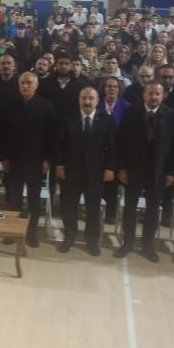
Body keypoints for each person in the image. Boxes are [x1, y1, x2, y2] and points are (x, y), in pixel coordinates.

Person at [115, 81, 174, 262]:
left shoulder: (171, 115)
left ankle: (147, 246)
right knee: (130, 208)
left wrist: (172, 172)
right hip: (133, 169)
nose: (153, 97)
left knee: (152, 210)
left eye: (157, 94)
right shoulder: (130, 112)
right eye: (150, 93)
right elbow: (120, 142)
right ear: (144, 95)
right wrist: (121, 168)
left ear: (163, 96)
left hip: (158, 172)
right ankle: (128, 243)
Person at [0, 72, 57, 248]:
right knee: (14, 200)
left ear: (36, 85)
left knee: (34, 201)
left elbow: (51, 136)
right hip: (14, 160)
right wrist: (4, 157)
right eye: (22, 83)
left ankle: (31, 232)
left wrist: (47, 158)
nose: (25, 86)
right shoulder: (9, 105)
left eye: (29, 83)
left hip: (36, 161)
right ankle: (13, 232)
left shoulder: (46, 106)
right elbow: (2, 133)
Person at [56, 86, 115, 255]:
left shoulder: (106, 119)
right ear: (79, 100)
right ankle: (69, 237)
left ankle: (91, 240)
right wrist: (59, 165)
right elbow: (59, 144)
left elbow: (112, 146)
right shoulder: (68, 118)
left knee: (93, 209)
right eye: (84, 98)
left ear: (97, 100)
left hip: (96, 173)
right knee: (69, 207)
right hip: (71, 171)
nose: (87, 101)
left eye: (91, 98)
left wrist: (110, 168)